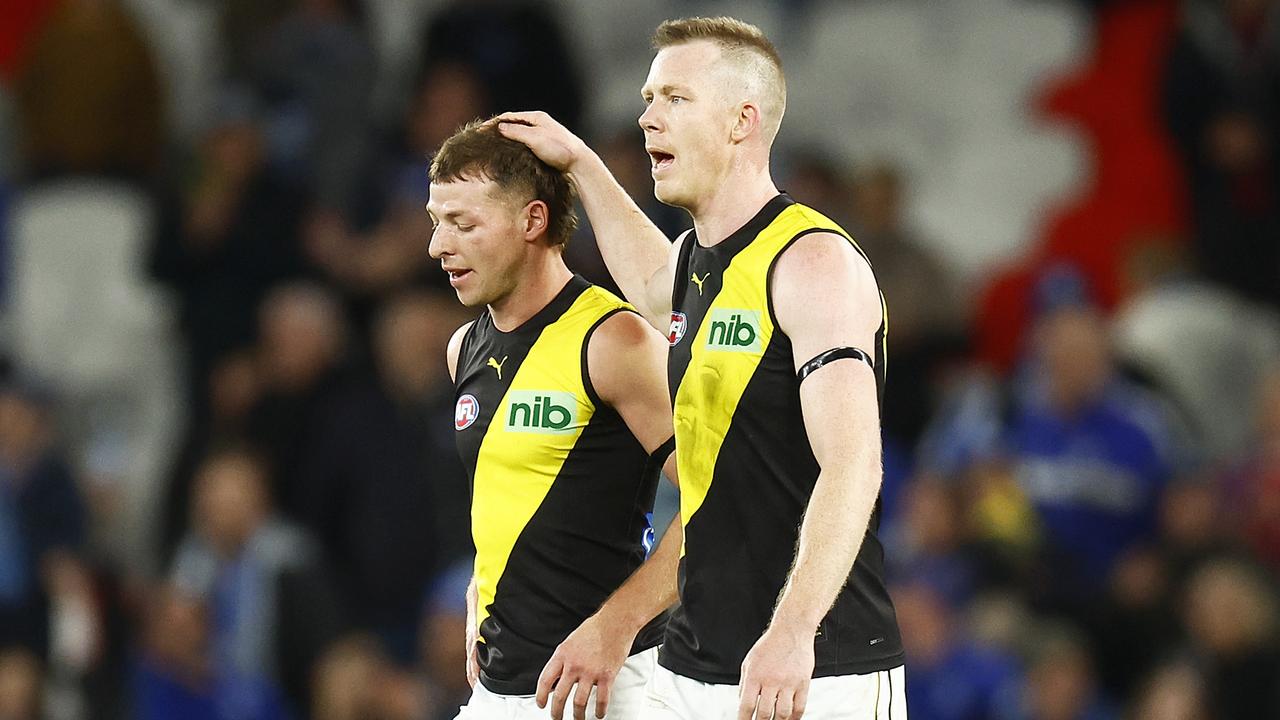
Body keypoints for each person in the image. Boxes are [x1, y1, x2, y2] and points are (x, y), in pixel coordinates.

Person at [499, 15, 905, 720]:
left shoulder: (813, 262)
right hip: (695, 666)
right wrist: (581, 165)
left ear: (741, 121)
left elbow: (854, 465)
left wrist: (791, 632)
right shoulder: (698, 260)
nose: (648, 117)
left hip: (813, 669)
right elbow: (655, 284)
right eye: (649, 98)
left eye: (674, 99)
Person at [427, 119, 681, 720]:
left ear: (533, 221)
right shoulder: (463, 347)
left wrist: (613, 628)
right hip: (499, 690)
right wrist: (484, 590)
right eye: (436, 221)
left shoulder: (612, 340)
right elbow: (516, 498)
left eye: (463, 224)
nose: (439, 245)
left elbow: (722, 501)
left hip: (609, 689)